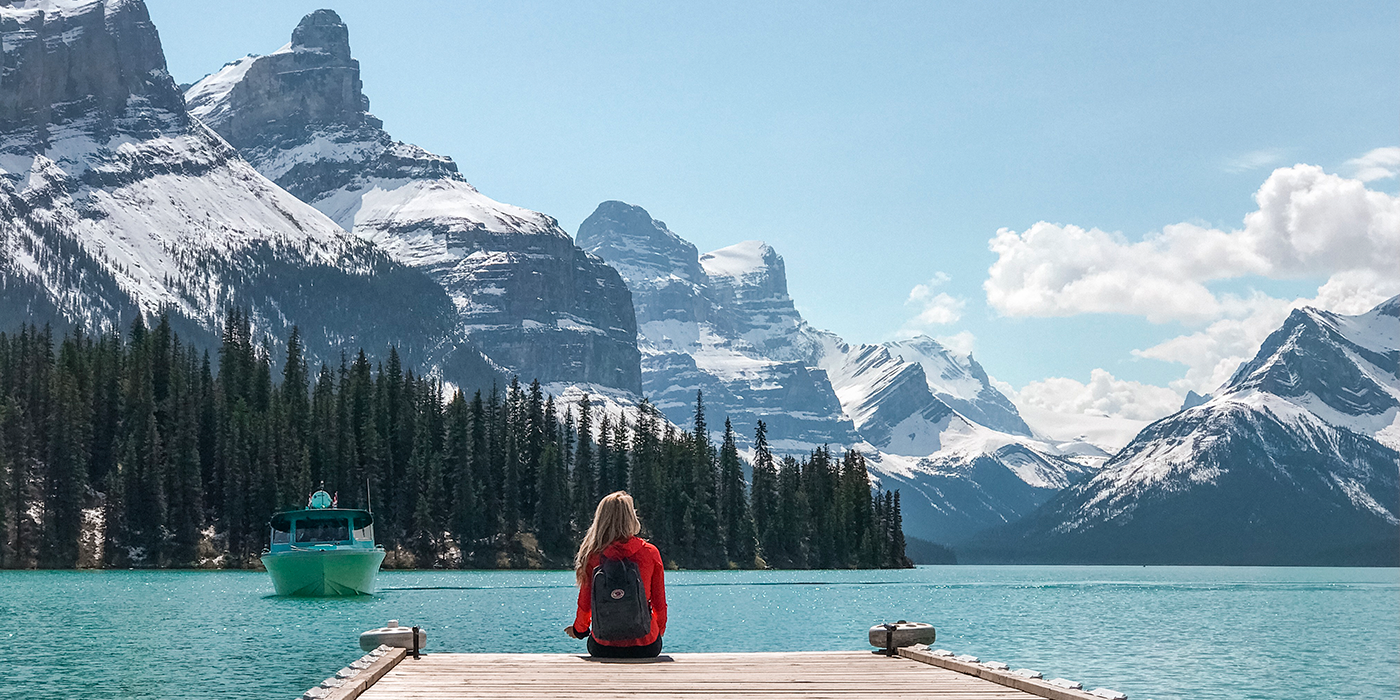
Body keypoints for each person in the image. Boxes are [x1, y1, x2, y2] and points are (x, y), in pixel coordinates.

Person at [565, 491, 667, 658]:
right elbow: (659, 604)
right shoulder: (650, 552)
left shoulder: (592, 556)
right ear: (631, 517)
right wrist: (657, 631)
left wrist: (579, 631)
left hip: (603, 646)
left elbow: (585, 605)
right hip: (646, 646)